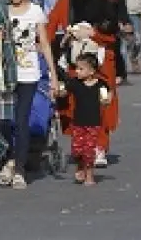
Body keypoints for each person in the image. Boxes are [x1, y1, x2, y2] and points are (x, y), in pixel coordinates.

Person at [0, 0, 57, 190]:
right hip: (5, 72)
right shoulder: (1, 11)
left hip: (29, 74)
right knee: (1, 119)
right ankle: (9, 156)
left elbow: (44, 44)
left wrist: (54, 77)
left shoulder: (35, 11)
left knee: (21, 118)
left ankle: (19, 169)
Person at [47, 0, 119, 167]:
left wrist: (93, 34)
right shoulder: (64, 1)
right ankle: (82, 144)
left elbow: (112, 32)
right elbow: (50, 27)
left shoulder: (100, 1)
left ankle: (99, 147)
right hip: (73, 64)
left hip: (100, 65)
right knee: (75, 106)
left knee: (100, 104)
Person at [56, 52, 111, 186]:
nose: (77, 71)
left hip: (93, 123)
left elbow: (106, 98)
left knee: (89, 150)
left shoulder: (101, 85)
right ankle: (80, 167)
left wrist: (106, 99)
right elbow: (63, 91)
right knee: (77, 150)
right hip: (78, 123)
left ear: (92, 71)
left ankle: (89, 175)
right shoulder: (75, 83)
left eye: (81, 69)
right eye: (76, 68)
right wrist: (58, 90)